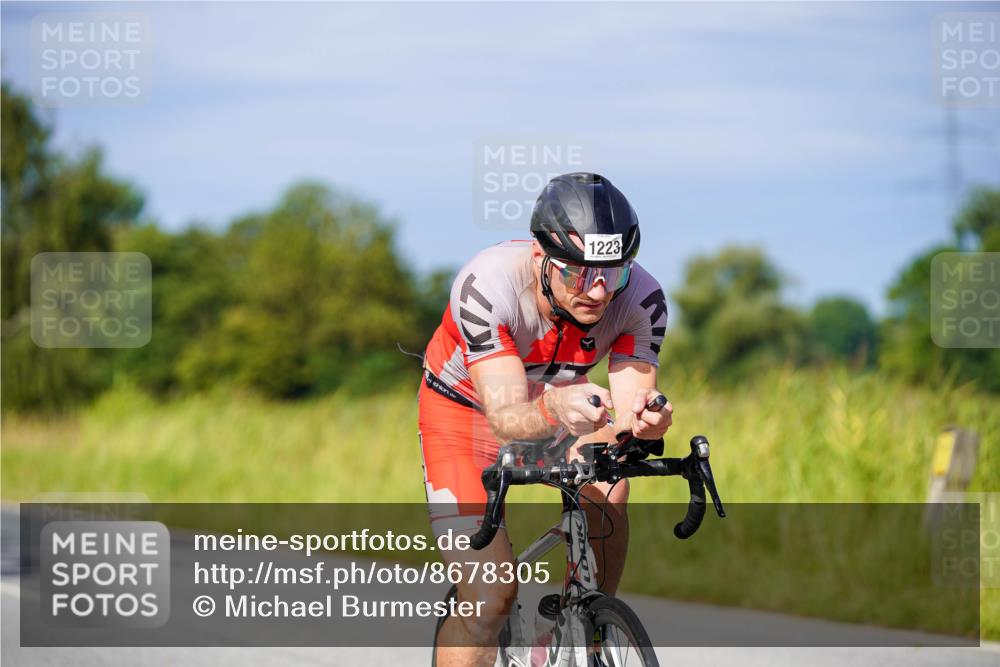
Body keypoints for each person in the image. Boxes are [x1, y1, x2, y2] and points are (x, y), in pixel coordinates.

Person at [419, 172, 672, 667]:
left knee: (613, 469)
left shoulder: (641, 297)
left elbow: (632, 406)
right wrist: (557, 405)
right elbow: (508, 415)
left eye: (613, 273)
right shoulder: (487, 285)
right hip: (466, 415)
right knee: (490, 601)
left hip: (558, 404)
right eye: (579, 274)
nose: (598, 292)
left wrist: (647, 420)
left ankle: (584, 624)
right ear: (542, 259)